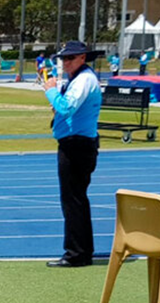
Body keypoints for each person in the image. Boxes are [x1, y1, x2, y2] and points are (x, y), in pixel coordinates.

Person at [42, 41, 102, 268]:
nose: (66, 62)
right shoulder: (79, 78)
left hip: (77, 146)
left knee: (73, 200)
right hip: (75, 143)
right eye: (64, 59)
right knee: (75, 199)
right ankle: (81, 250)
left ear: (83, 57)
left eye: (71, 58)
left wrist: (50, 90)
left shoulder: (84, 79)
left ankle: (77, 253)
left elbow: (67, 107)